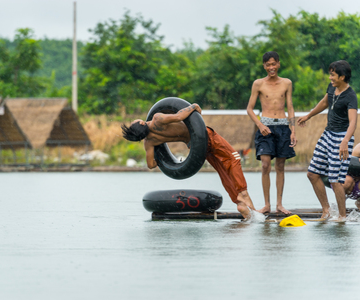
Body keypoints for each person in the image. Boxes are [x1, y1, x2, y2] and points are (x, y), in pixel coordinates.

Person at [121, 103, 256, 219]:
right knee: (233, 157)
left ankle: (239, 203)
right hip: (204, 136)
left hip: (196, 147)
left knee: (222, 170)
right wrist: (193, 106)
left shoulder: (149, 142)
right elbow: (179, 116)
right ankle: (243, 192)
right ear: (141, 123)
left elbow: (151, 165)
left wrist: (161, 158)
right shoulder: (157, 119)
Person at [297, 60, 358, 221]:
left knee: (335, 179)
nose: (330, 77)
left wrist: (345, 141)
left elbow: (353, 122)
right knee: (312, 174)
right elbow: (325, 102)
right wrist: (308, 115)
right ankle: (326, 211)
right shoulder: (332, 88)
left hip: (342, 138)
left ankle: (342, 216)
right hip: (327, 134)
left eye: (333, 74)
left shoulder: (351, 96)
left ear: (342, 77)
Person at [246, 51, 297, 215]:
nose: (271, 67)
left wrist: (293, 131)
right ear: (264, 66)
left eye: (274, 64)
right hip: (265, 127)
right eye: (268, 64)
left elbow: (290, 107)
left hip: (283, 126)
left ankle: (279, 204)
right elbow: (249, 109)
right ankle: (266, 204)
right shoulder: (258, 84)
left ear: (279, 64)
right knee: (265, 165)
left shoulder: (287, 83)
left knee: (280, 166)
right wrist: (260, 124)